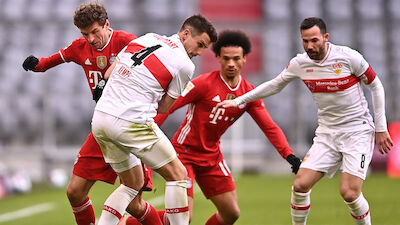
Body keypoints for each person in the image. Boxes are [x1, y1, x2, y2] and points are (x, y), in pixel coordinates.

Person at [215, 17, 394, 225]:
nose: (310, 46)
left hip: (357, 132)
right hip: (327, 134)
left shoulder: (348, 58)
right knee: (300, 185)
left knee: (349, 192)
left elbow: (376, 86)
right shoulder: (300, 63)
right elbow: (274, 85)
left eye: (315, 40)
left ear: (326, 38)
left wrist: (381, 128)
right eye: (305, 41)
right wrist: (239, 101)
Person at [22, 2, 164, 225]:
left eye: (94, 32)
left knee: (134, 205)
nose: (90, 38)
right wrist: (36, 64)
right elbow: (52, 61)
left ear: (107, 25)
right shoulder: (80, 47)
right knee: (75, 192)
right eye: (84, 34)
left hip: (129, 128)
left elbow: (154, 67)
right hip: (103, 128)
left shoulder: (127, 41)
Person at [153, 30, 301, 225]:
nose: (231, 63)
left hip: (212, 157)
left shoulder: (248, 94)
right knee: (183, 217)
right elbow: (167, 108)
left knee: (231, 213)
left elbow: (269, 127)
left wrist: (288, 154)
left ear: (245, 59)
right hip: (184, 154)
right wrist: (146, 133)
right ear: (218, 58)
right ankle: (135, 218)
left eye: (236, 58)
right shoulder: (203, 84)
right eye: (226, 58)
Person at [91, 14, 217, 225]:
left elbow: (111, 72)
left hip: (100, 119)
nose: (200, 52)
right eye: (200, 44)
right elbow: (164, 107)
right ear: (186, 34)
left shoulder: (146, 38)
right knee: (179, 174)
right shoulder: (185, 65)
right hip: (130, 121)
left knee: (132, 184)